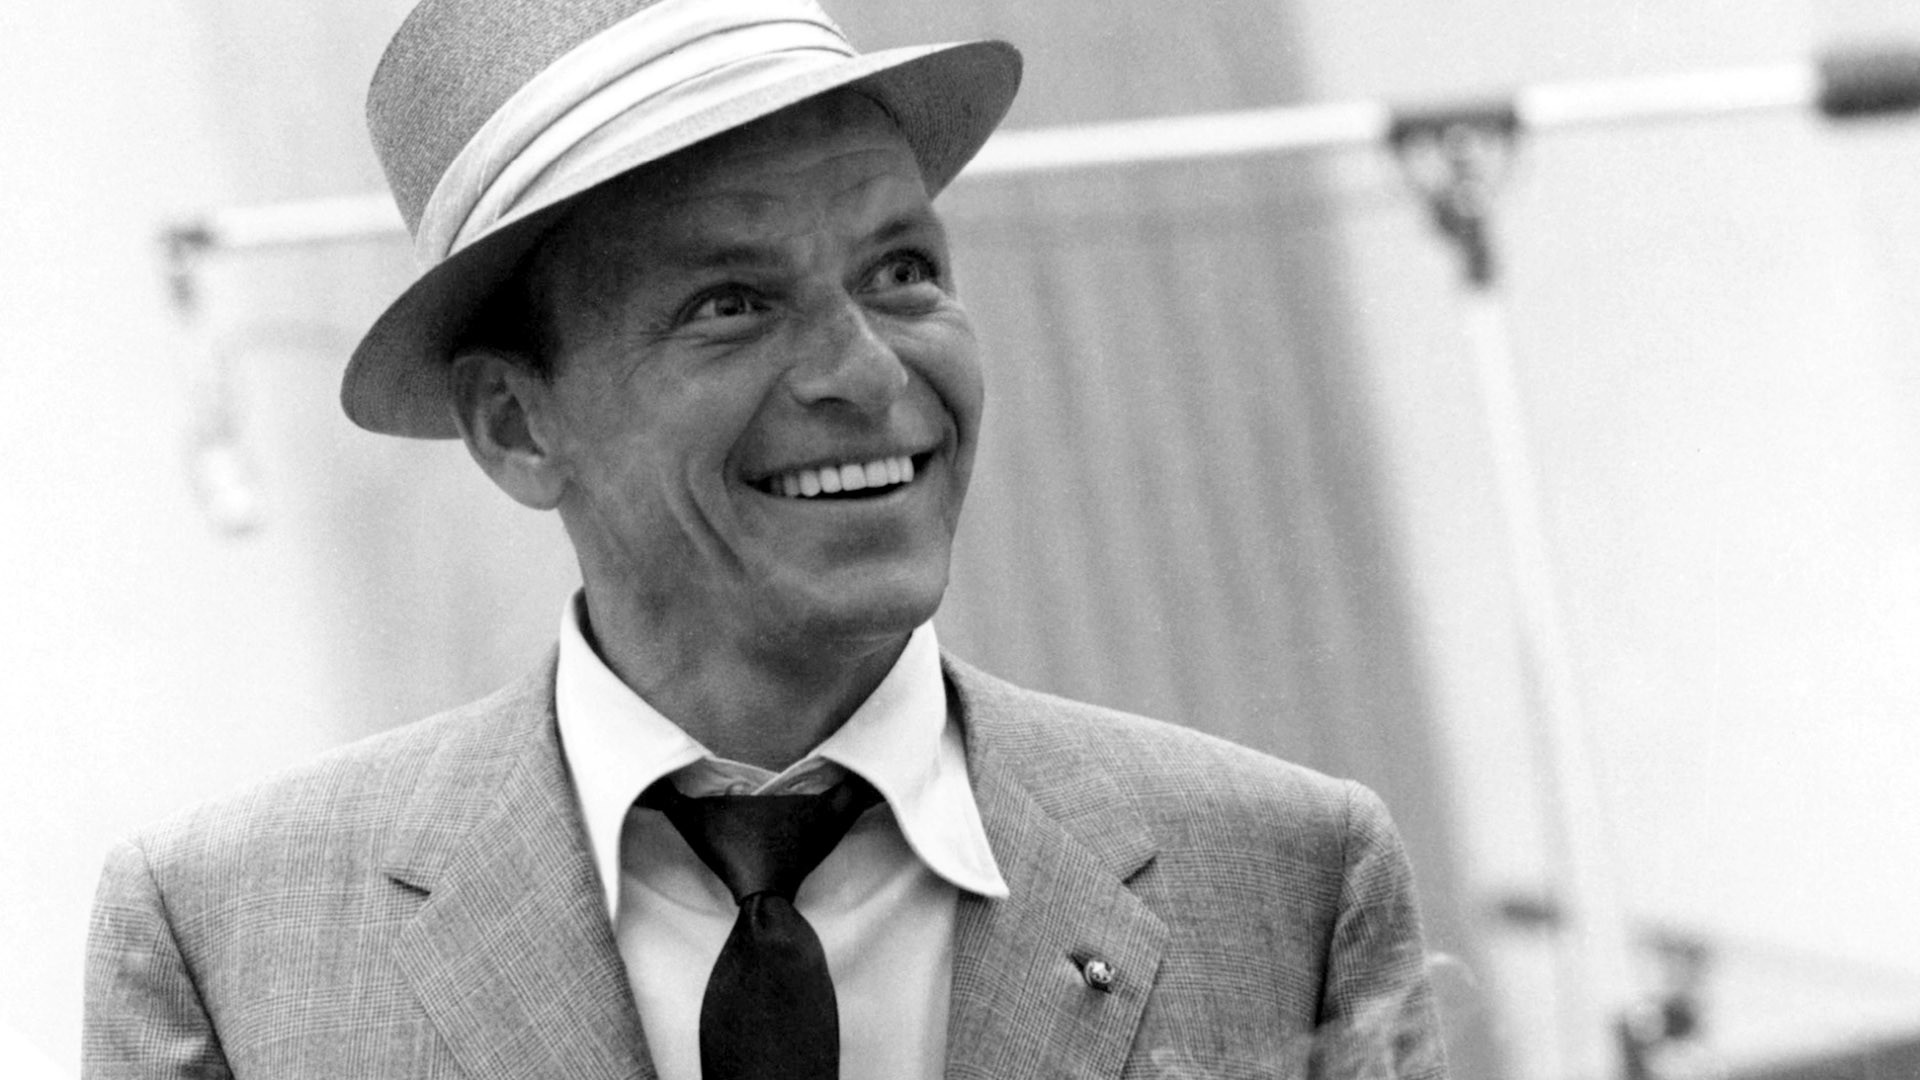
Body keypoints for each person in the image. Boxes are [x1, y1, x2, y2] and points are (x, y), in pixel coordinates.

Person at [85, 0, 1448, 1077]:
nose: (866, 370)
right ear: (513, 424)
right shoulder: (232, 946)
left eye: (902, 271)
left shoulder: (1282, 883)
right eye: (730, 302)